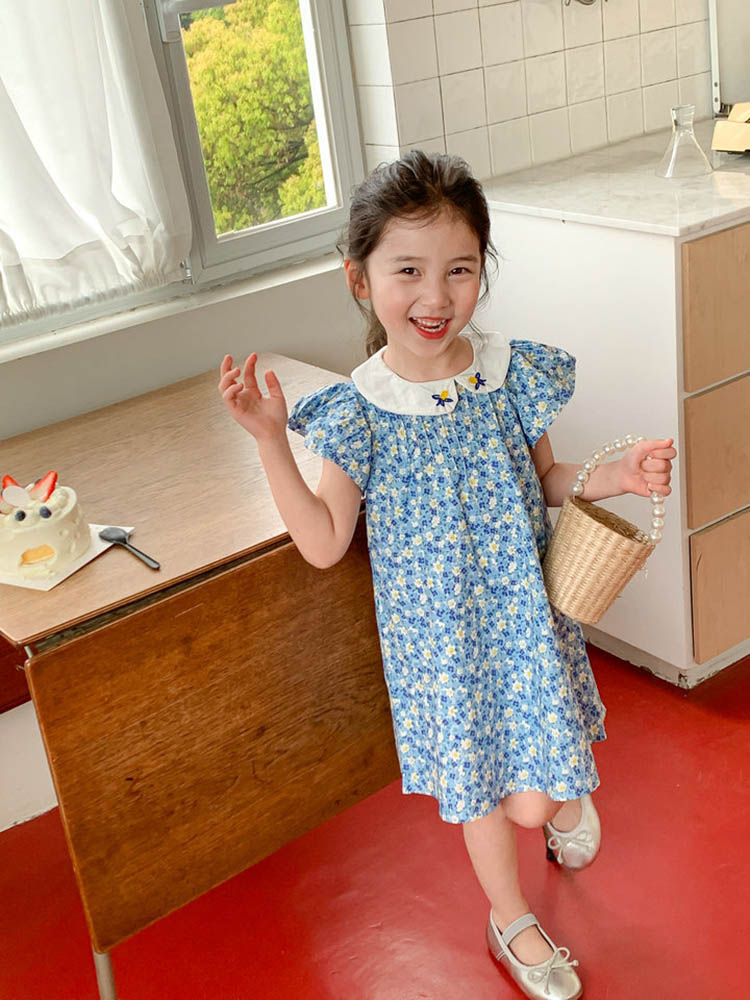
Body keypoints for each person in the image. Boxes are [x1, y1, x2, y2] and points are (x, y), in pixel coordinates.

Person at [217, 151, 676, 1000]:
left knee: (534, 800)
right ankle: (511, 920)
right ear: (359, 279)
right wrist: (271, 441)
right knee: (485, 796)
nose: (435, 296)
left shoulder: (505, 374)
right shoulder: (360, 410)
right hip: (441, 651)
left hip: (524, 621)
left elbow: (546, 481)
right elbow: (324, 541)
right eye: (408, 271)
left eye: (459, 269)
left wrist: (616, 475)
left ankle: (560, 808)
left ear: (482, 272)